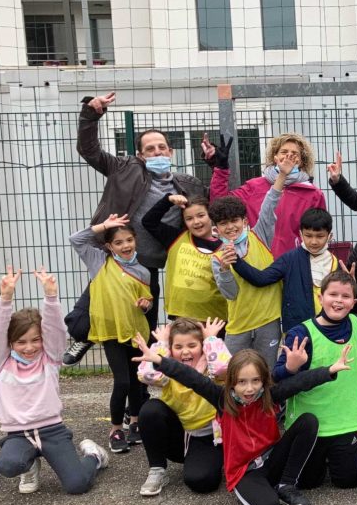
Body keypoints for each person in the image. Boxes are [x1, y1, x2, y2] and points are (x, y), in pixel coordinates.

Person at [134, 345, 348, 505]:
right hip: (245, 471)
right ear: (231, 383)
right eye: (242, 382)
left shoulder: (269, 396)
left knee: (308, 421)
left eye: (256, 381)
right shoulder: (221, 399)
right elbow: (192, 378)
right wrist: (161, 361)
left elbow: (299, 383)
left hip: (272, 459)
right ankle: (263, 490)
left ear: (263, 380)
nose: (249, 389)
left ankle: (286, 485)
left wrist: (329, 370)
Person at [69, 91, 206, 362]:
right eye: (150, 149)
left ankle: (141, 393)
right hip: (116, 261)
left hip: (150, 267)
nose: (157, 152)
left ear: (171, 151)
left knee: (143, 334)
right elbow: (89, 150)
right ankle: (85, 338)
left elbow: (210, 208)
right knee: (81, 322)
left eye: (161, 148)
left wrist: (216, 163)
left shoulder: (188, 184)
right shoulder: (123, 169)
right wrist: (91, 114)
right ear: (140, 155)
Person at [0, 267, 110, 494]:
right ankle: (28, 465)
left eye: (36, 340)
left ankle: (94, 455)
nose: (29, 347)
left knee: (77, 485)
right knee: (8, 465)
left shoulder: (50, 358)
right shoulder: (3, 361)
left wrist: (51, 297)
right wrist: (5, 298)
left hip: (52, 431)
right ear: (10, 343)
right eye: (21, 342)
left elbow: (55, 329)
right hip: (18, 434)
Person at [275, 271, 357, 491]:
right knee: (309, 484)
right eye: (333, 294)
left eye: (345, 296)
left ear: (354, 303)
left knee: (348, 483)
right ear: (320, 298)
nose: (339, 300)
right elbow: (278, 383)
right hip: (311, 427)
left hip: (345, 424)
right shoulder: (301, 333)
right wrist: (289, 368)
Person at [70, 214, 152, 452]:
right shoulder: (99, 262)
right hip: (110, 333)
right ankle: (116, 429)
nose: (125, 246)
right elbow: (76, 239)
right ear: (109, 246)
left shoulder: (143, 271)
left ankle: (135, 423)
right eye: (118, 242)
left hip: (136, 331)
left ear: (135, 240)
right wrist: (104, 226)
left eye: (129, 240)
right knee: (122, 381)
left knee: (137, 381)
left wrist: (146, 304)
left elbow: (148, 300)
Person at [133, 318, 231, 497]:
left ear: (202, 347)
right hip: (179, 436)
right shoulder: (168, 371)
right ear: (171, 350)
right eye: (178, 347)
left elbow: (224, 367)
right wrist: (161, 345)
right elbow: (147, 375)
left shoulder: (212, 370)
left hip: (210, 438)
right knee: (150, 409)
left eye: (192, 345)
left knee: (201, 481)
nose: (185, 351)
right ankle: (157, 470)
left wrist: (211, 339)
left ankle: (215, 460)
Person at [207, 132, 326, 257]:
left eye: (295, 154)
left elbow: (319, 234)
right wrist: (220, 168)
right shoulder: (254, 187)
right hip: (258, 264)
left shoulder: (313, 195)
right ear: (275, 157)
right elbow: (220, 206)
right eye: (284, 152)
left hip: (293, 265)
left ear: (301, 161)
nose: (289, 156)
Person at [232, 208, 339, 332]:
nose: (313, 241)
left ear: (329, 236)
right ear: (300, 234)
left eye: (320, 236)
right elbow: (261, 278)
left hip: (329, 327)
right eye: (308, 236)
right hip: (297, 329)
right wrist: (236, 260)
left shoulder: (335, 262)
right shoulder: (289, 259)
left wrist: (352, 284)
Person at [208, 195, 283, 367]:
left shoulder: (260, 236)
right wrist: (225, 269)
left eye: (234, 220)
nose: (230, 227)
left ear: (245, 221)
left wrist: (282, 176)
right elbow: (231, 294)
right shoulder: (217, 258)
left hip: (268, 321)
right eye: (223, 223)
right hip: (239, 325)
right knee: (234, 375)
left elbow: (268, 205)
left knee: (267, 372)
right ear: (216, 229)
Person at [143, 194, 228, 323]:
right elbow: (149, 221)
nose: (196, 222)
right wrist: (168, 200)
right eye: (189, 218)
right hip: (182, 317)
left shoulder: (225, 247)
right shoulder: (176, 237)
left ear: (211, 216)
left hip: (215, 319)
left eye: (201, 215)